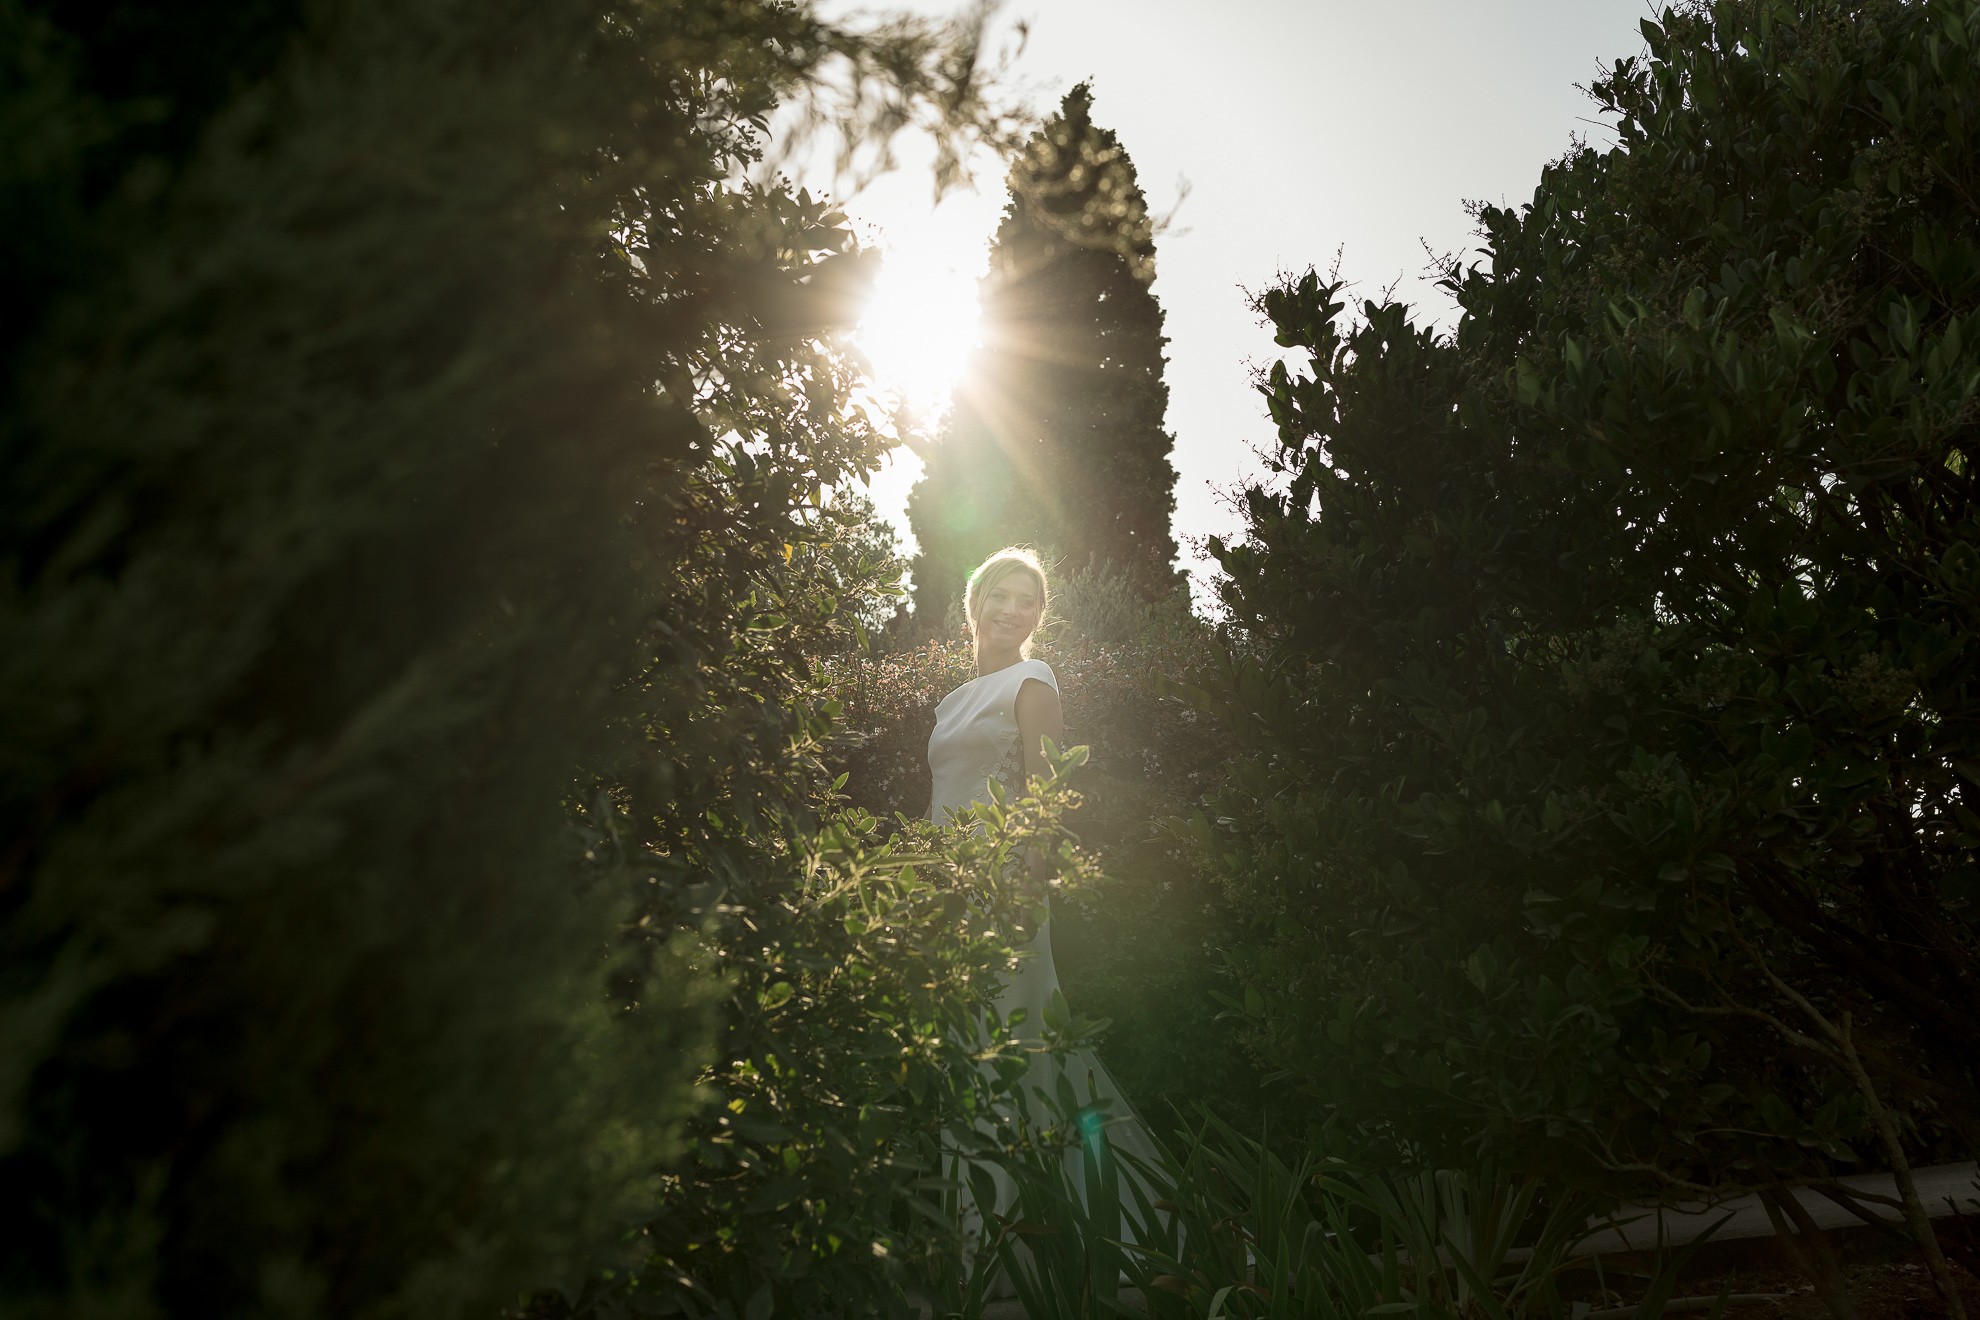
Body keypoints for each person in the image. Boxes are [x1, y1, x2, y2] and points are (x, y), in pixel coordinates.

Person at [926, 546, 1165, 1252]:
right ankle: (982, 1239)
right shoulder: (951, 702)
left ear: (1038, 615)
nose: (1012, 610)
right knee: (966, 1053)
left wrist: (1022, 896)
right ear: (974, 603)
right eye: (1000, 595)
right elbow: (945, 798)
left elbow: (1046, 795)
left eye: (1027, 600)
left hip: (1006, 892)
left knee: (1016, 1047)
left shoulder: (1034, 682)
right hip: (949, 893)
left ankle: (1047, 1241)